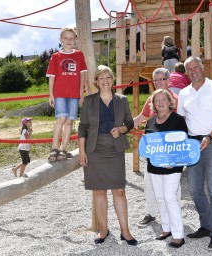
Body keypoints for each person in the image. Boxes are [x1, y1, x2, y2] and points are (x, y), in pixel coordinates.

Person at [78, 65, 137, 246]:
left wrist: (121, 129)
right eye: (101, 78)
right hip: (94, 149)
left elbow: (129, 122)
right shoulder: (89, 101)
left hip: (115, 149)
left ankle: (125, 231)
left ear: (113, 80)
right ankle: (103, 229)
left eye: (108, 78)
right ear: (96, 81)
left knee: (119, 190)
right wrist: (82, 151)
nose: (105, 81)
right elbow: (82, 126)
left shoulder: (122, 100)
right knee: (99, 190)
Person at [177, 56, 212, 251]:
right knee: (194, 189)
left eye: (195, 67)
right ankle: (206, 225)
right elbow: (180, 122)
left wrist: (209, 136)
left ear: (202, 67)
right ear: (186, 72)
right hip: (192, 145)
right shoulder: (183, 93)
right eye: (189, 69)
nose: (193, 71)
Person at [133, 68, 179, 228]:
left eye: (162, 79)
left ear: (168, 80)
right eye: (156, 80)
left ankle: (175, 216)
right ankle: (151, 213)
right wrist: (122, 127)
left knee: (173, 186)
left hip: (171, 150)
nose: (159, 82)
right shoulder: (151, 100)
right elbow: (140, 118)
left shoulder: (176, 99)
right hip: (154, 149)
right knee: (149, 182)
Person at [144, 89, 188, 248]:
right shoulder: (150, 122)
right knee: (160, 197)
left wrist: (175, 161)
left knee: (170, 197)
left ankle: (178, 235)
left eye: (163, 100)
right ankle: (166, 228)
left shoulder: (178, 120)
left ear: (170, 102)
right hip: (154, 166)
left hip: (173, 167)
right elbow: (147, 144)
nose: (160, 103)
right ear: (153, 104)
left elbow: (184, 143)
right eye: (157, 101)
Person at [46, 27, 87, 161]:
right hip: (60, 94)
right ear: (61, 40)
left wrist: (81, 92)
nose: (69, 40)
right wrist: (51, 95)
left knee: (69, 121)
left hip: (74, 94)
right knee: (61, 119)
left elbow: (82, 75)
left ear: (75, 39)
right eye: (66, 38)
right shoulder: (56, 57)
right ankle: (54, 148)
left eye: (72, 38)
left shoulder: (79, 55)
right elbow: (51, 77)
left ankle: (63, 149)